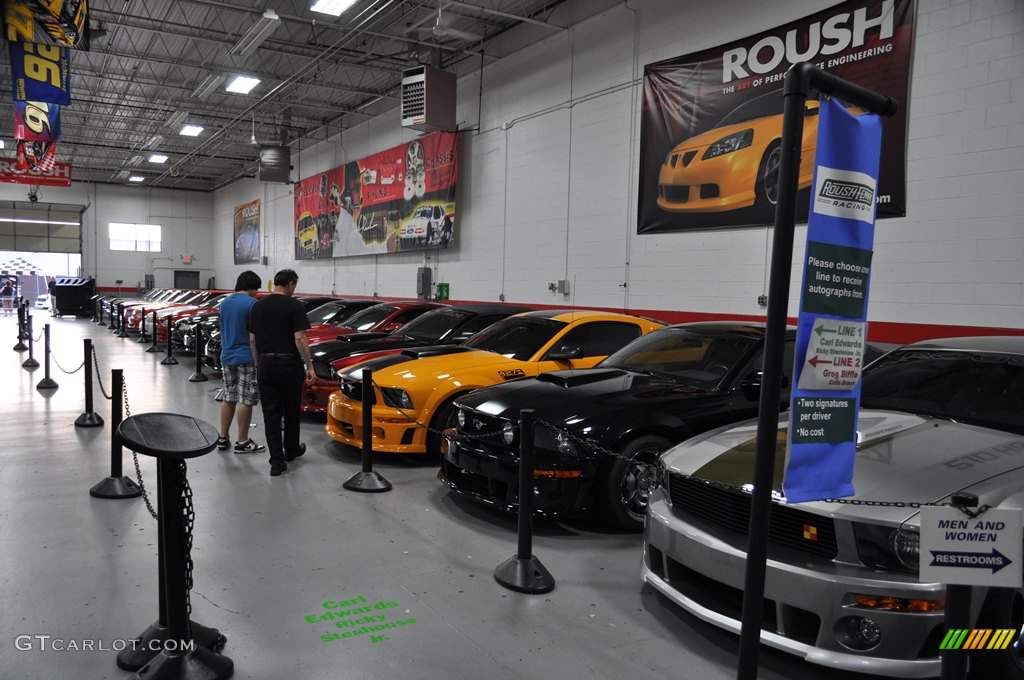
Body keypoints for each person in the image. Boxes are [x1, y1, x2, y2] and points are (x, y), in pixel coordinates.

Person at [247, 269, 315, 476]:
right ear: (291, 284)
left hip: (266, 364)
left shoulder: (257, 306)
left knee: (271, 413)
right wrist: (309, 365)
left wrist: (259, 364)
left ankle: (276, 461)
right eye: (294, 286)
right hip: (289, 364)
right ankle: (291, 449)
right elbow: (300, 338)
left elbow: (252, 340)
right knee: (292, 409)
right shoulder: (294, 305)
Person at [217, 271, 265, 454]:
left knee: (229, 397)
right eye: (256, 289)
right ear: (253, 287)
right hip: (246, 357)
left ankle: (223, 437)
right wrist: (258, 360)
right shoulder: (253, 304)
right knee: (246, 400)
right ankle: (242, 441)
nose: (257, 293)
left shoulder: (225, 303)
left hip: (227, 356)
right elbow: (255, 337)